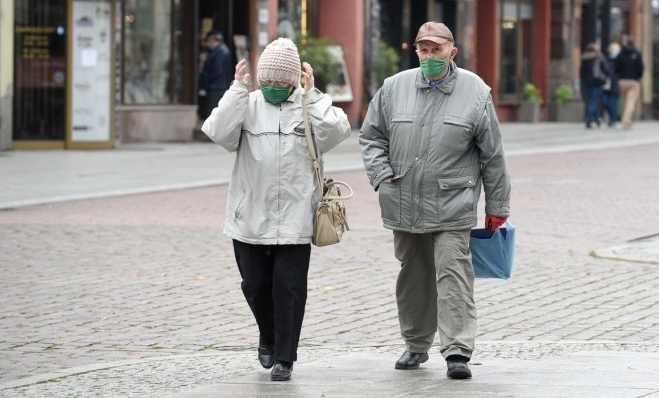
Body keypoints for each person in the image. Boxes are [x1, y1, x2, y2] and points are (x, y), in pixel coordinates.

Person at [359, 21, 511, 381]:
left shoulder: (475, 91)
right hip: (403, 201)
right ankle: (415, 343)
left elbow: (493, 155)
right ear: (416, 51)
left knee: (453, 272)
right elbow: (371, 137)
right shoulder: (393, 88)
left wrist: (497, 207)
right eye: (423, 50)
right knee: (414, 274)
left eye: (436, 50)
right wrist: (381, 174)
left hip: (452, 202)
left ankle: (457, 349)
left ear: (452, 52)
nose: (429, 57)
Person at [202, 38, 351, 382]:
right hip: (250, 214)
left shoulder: (308, 106)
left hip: (297, 216)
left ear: (294, 81)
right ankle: (267, 335)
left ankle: (285, 356)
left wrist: (312, 96)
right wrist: (237, 91)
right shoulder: (247, 103)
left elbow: (336, 131)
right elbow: (217, 132)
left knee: (289, 288)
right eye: (266, 82)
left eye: (281, 84)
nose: (273, 89)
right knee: (255, 285)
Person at [199, 30, 232, 119]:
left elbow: (217, 70)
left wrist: (207, 80)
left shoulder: (220, 51)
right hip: (218, 86)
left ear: (213, 40)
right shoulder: (220, 50)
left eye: (209, 41)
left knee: (214, 111)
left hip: (216, 87)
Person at [614, 35, 644, 129]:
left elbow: (616, 68)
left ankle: (628, 119)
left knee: (624, 102)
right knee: (630, 102)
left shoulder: (620, 54)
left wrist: (619, 76)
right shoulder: (637, 54)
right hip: (633, 82)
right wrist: (638, 77)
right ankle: (626, 120)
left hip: (622, 81)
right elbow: (641, 68)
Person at [580, 42, 608, 129]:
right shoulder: (599, 57)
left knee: (589, 101)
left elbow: (581, 72)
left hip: (586, 83)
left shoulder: (584, 58)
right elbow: (605, 69)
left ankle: (596, 118)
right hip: (596, 82)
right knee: (593, 101)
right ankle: (589, 118)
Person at [602, 42, 621, 126]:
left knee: (612, 104)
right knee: (605, 102)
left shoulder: (620, 60)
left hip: (616, 85)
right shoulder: (605, 60)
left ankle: (613, 120)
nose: (614, 52)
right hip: (607, 84)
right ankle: (611, 117)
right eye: (613, 50)